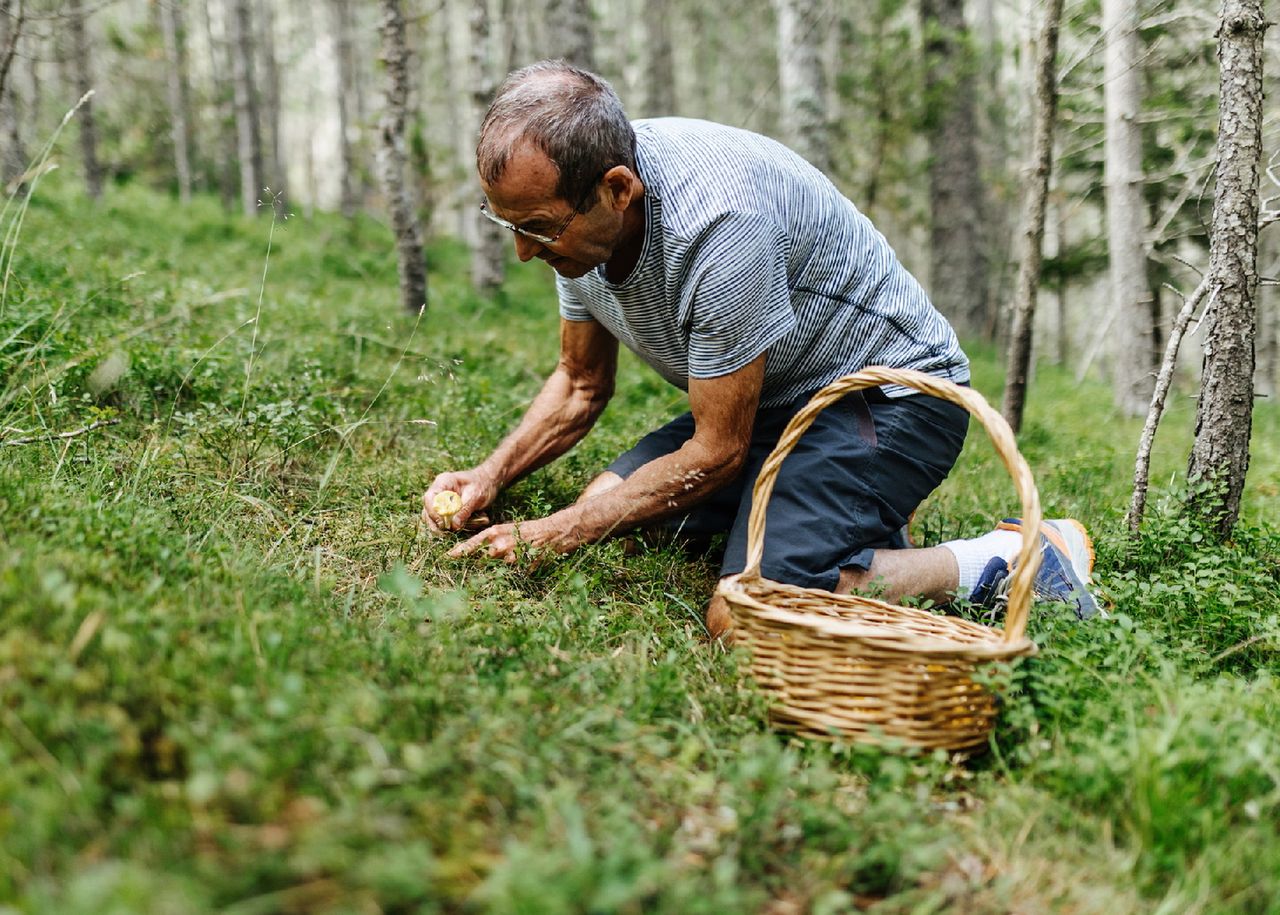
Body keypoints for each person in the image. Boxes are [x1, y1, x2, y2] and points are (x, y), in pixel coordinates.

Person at [422, 60, 1099, 636]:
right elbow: (579, 384)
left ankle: (1010, 557)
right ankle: (826, 516)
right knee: (608, 500)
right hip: (767, 397)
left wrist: (555, 531)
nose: (520, 252)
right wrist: (491, 475)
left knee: (744, 615)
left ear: (617, 190)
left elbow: (715, 452)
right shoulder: (581, 226)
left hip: (887, 398)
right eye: (507, 224)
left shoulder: (719, 225)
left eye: (537, 229)